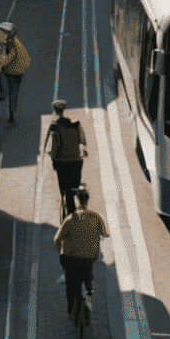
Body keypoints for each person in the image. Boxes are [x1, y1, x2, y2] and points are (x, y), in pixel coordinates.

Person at [52, 186, 107, 321]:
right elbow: (104, 234)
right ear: (87, 201)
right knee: (88, 268)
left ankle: (71, 309)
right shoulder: (96, 217)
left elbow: (57, 239)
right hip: (90, 258)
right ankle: (88, 289)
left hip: (71, 259)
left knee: (70, 284)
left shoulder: (70, 219)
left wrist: (60, 253)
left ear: (77, 201)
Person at [45, 100, 88, 217]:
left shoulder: (55, 126)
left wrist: (53, 159)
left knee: (64, 189)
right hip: (76, 160)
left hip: (62, 163)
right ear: (64, 110)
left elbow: (55, 146)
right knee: (74, 186)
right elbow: (83, 140)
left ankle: (70, 213)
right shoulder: (75, 122)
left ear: (54, 111)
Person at [0, 23, 31, 124]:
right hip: (11, 69)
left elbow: (6, 60)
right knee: (11, 90)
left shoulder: (15, 47)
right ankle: (2, 92)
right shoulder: (9, 42)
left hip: (16, 72)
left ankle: (10, 110)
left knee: (13, 92)